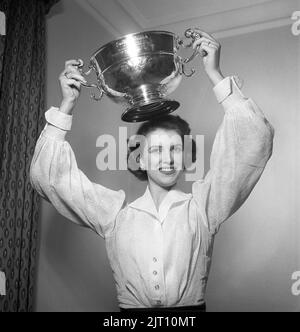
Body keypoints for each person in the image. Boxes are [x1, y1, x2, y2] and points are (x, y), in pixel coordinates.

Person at [29, 30, 274, 312]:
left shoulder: (203, 208)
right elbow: (48, 179)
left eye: (175, 149)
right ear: (140, 160)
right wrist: (67, 104)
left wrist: (215, 74)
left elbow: (254, 142)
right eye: (156, 150)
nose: (168, 159)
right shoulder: (115, 216)